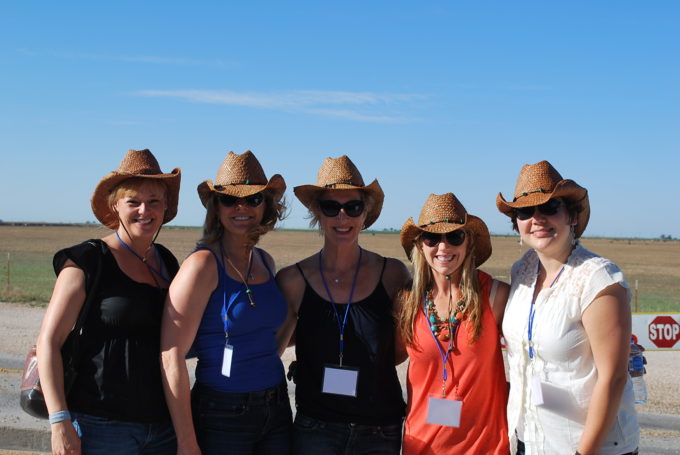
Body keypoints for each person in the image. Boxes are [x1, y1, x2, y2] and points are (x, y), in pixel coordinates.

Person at [37, 149, 182, 455]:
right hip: (99, 425)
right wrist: (60, 422)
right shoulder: (88, 260)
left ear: (166, 205)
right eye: (134, 202)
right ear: (115, 206)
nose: (145, 210)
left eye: (154, 201)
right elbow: (48, 342)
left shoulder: (168, 263)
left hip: (162, 427)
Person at [496, 160, 639, 455]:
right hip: (531, 438)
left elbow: (614, 377)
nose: (537, 219)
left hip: (588, 445)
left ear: (572, 216)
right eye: (525, 211)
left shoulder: (597, 277)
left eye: (549, 207)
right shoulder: (521, 271)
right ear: (516, 224)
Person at [276, 155, 410, 455]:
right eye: (330, 207)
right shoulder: (293, 280)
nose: (342, 217)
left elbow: (400, 351)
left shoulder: (393, 274)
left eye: (353, 207)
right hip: (316, 430)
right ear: (317, 213)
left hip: (379, 430)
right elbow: (274, 346)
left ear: (365, 214)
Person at [160, 150, 290, 455]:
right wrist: (186, 440)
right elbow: (170, 356)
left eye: (253, 199)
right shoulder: (202, 266)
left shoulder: (265, 261)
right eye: (230, 200)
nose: (241, 207)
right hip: (222, 412)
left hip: (276, 406)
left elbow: (269, 337)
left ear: (265, 205)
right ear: (216, 208)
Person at [398, 193, 510, 454]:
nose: (443, 247)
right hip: (422, 445)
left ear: (469, 243)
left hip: (485, 447)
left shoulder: (496, 296)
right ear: (419, 245)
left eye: (455, 236)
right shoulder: (407, 302)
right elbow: (385, 357)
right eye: (432, 238)